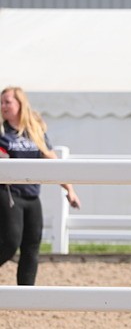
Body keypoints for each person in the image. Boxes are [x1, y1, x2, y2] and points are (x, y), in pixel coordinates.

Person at [0, 87, 81, 285]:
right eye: (1, 102)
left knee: (32, 246)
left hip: (32, 196)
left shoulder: (34, 132)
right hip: (9, 194)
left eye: (7, 102)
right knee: (10, 243)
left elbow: (52, 161)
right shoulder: (1, 133)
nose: (3, 106)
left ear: (20, 104)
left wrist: (69, 189)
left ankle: (26, 294)